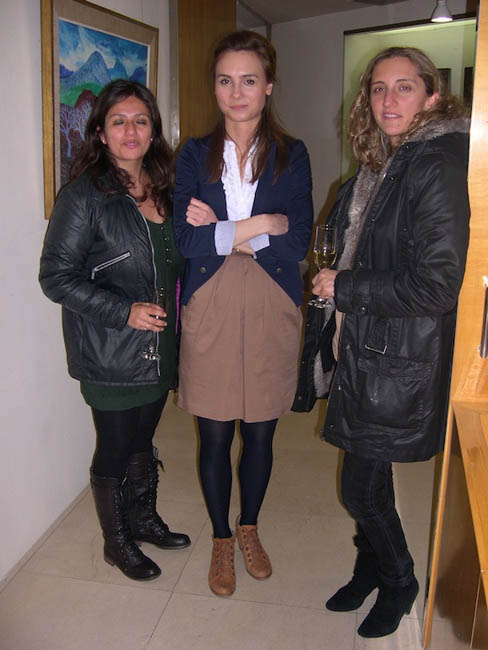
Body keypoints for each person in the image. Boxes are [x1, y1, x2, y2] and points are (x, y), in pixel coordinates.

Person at [307, 47, 469, 637]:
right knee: (366, 478)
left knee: (361, 488)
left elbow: (438, 285)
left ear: (433, 95)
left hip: (396, 353)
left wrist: (346, 286)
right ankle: (370, 566)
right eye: (378, 88)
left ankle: (399, 580)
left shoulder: (436, 163)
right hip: (368, 346)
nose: (388, 100)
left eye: (404, 87)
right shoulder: (388, 160)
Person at [173, 30, 313, 596]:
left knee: (259, 432)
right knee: (213, 433)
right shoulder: (192, 154)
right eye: (225, 80)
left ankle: (249, 527)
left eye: (248, 80)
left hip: (271, 297)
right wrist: (260, 225)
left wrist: (225, 231)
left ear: (269, 86)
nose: (236, 93)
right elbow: (187, 241)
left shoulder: (292, 154)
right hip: (209, 297)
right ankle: (220, 538)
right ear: (215, 86)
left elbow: (296, 241)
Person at [39, 80, 190, 582]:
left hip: (160, 346)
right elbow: (56, 277)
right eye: (119, 121)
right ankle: (116, 540)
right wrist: (123, 312)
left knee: (143, 440)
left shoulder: (167, 190)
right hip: (110, 350)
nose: (131, 131)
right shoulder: (84, 196)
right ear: (101, 133)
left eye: (140, 121)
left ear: (153, 131)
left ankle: (142, 519)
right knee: (115, 447)